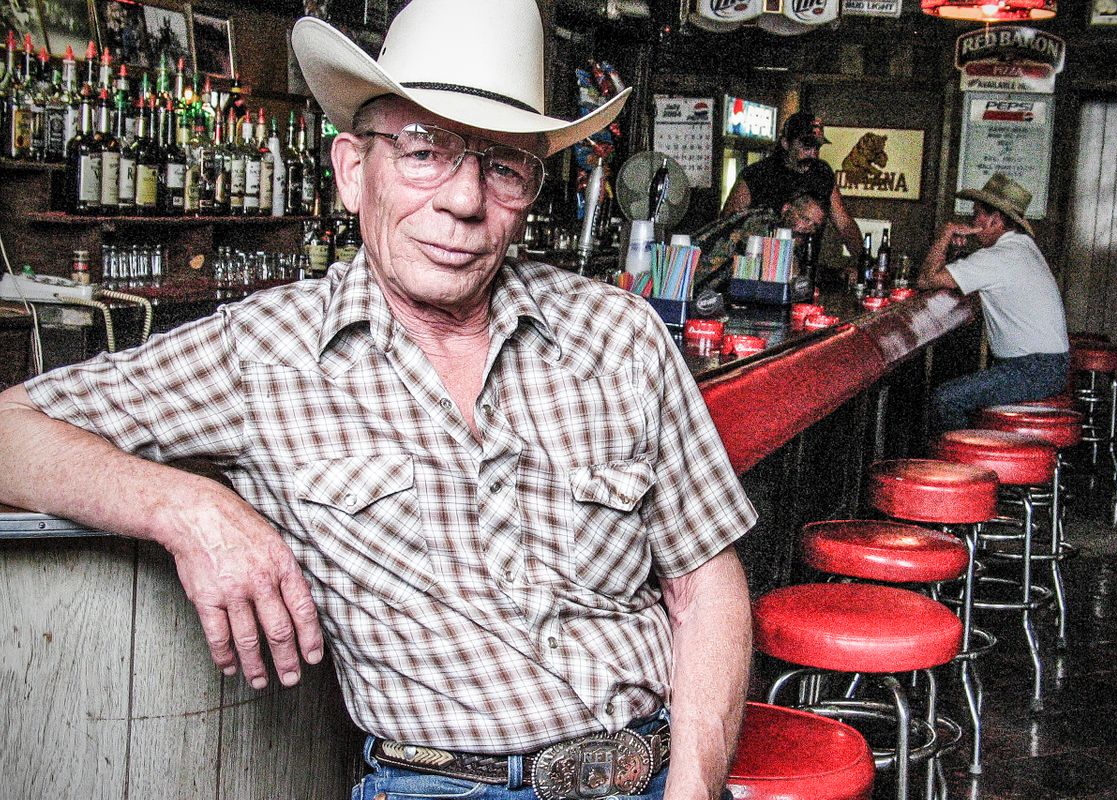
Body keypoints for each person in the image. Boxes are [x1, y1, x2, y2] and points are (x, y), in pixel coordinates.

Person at [0, 3, 758, 800]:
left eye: (503, 166)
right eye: (425, 151)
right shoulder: (264, 352)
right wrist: (186, 508)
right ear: (352, 169)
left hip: (657, 770)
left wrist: (693, 790)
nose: (465, 200)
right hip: (443, 787)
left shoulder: (619, 335)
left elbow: (705, 583)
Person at [917, 172, 1069, 431]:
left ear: (994, 220)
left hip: (1034, 369)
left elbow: (925, 280)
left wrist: (945, 233)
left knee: (946, 399)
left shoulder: (998, 257)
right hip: (1050, 366)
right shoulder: (1023, 246)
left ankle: (964, 470)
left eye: (976, 214)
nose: (971, 221)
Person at [720, 111, 862, 260]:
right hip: (759, 268)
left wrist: (862, 262)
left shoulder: (822, 173)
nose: (813, 154)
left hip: (804, 270)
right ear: (785, 143)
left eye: (817, 147)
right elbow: (727, 226)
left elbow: (844, 224)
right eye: (806, 146)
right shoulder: (757, 174)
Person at [692, 187, 828, 295]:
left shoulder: (789, 233)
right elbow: (790, 276)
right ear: (786, 209)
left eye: (815, 225)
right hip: (691, 285)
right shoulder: (762, 224)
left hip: (708, 292)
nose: (809, 228)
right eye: (805, 219)